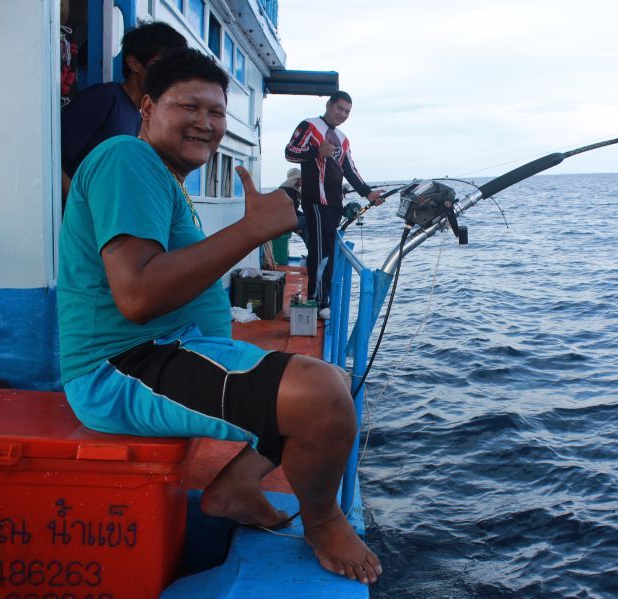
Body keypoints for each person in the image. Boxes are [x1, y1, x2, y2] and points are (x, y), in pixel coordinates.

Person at [57, 48, 382, 585]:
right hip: (121, 367)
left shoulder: (163, 179)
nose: (206, 123)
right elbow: (136, 294)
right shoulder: (125, 158)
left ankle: (235, 489)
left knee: (334, 385)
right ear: (146, 107)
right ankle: (322, 521)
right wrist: (252, 231)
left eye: (216, 112)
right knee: (322, 395)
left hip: (165, 352)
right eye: (189, 106)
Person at [60, 21, 187, 205]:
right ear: (134, 63)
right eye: (159, 65)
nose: (169, 75)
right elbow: (52, 157)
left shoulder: (138, 115)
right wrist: (81, 209)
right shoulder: (104, 98)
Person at [285, 91, 383, 320]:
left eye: (347, 111)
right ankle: (318, 300)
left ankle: (323, 297)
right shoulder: (309, 126)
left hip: (335, 203)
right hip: (316, 201)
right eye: (339, 109)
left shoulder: (343, 138)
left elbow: (350, 169)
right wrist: (316, 151)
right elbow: (290, 153)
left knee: (328, 248)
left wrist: (368, 193)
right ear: (329, 105)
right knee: (320, 251)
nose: (342, 114)